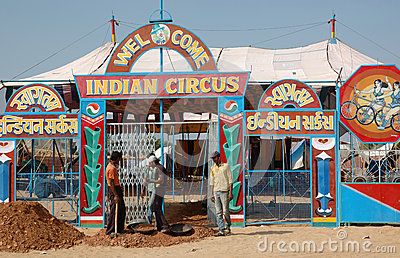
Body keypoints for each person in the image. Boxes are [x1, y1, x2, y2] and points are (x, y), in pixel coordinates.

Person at [210, 151, 233, 236]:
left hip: (224, 191)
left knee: (225, 211)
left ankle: (228, 227)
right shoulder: (212, 168)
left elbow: (230, 181)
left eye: (214, 158)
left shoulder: (226, 166)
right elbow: (212, 182)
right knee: (218, 212)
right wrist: (212, 193)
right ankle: (221, 229)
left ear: (219, 157)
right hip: (216, 192)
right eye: (213, 158)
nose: (214, 160)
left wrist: (230, 193)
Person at [145, 155, 170, 233]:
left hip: (160, 190)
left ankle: (164, 226)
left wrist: (151, 180)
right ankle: (160, 226)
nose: (149, 164)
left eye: (150, 162)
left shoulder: (159, 168)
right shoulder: (156, 168)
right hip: (158, 189)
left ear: (153, 162)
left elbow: (161, 180)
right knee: (156, 207)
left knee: (156, 207)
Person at [106, 151, 126, 235]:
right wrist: (115, 195)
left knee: (121, 210)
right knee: (114, 210)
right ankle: (110, 230)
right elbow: (111, 183)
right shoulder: (111, 168)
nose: (120, 160)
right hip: (114, 190)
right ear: (117, 158)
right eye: (119, 159)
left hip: (116, 189)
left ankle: (119, 229)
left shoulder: (113, 167)